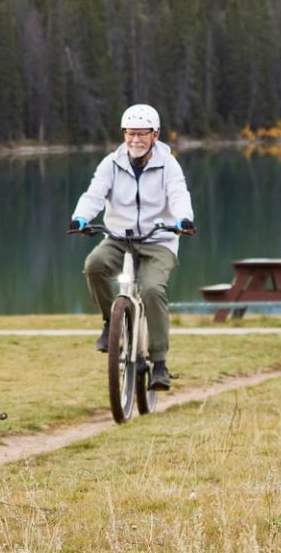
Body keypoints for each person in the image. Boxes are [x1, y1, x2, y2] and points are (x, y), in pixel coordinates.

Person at [70, 104, 195, 390]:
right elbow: (94, 193)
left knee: (152, 289)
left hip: (158, 240)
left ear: (155, 135)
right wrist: (81, 217)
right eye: (129, 134)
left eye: (141, 134)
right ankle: (109, 323)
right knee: (94, 266)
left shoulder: (168, 164)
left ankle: (160, 362)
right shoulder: (111, 163)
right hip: (118, 237)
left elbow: (178, 193)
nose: (135, 140)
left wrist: (183, 219)